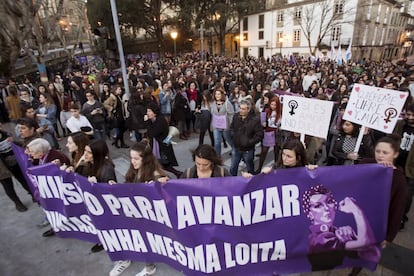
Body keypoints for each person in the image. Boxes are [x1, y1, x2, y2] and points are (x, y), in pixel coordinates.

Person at [109, 141, 168, 276]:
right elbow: (128, 186)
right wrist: (116, 187)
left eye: (136, 158)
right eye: (131, 158)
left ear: (145, 159)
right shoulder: (135, 170)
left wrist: (159, 186)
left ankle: (149, 267)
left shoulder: (156, 174)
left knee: (144, 240)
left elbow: (166, 196)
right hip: (135, 213)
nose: (132, 162)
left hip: (149, 218)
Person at [302, 185, 380, 271]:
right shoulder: (319, 239)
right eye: (318, 206)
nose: (326, 208)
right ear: (310, 214)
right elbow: (366, 243)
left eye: (329, 202)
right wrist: (357, 211)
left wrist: (353, 237)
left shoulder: (335, 232)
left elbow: (374, 255)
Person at [75, 139, 116, 253]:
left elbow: (107, 192)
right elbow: (76, 176)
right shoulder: (89, 163)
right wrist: (80, 162)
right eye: (85, 151)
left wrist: (95, 184)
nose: (85, 154)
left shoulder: (106, 169)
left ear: (97, 154)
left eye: (89, 152)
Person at [145, 102, 182, 178]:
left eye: (149, 111)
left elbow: (152, 133)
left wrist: (147, 122)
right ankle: (176, 173)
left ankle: (174, 174)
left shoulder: (160, 121)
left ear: (154, 112)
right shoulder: (153, 120)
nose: (147, 113)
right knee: (159, 164)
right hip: (157, 146)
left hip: (162, 147)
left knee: (162, 164)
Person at [393, 103, 414, 229]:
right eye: (408, 114)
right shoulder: (400, 124)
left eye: (413, 115)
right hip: (396, 163)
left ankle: (401, 217)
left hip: (410, 167)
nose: (410, 117)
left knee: (406, 194)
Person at [230, 99, 264, 176]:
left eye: (243, 109)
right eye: (240, 108)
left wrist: (249, 142)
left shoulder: (255, 120)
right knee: (232, 168)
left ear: (248, 109)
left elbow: (259, 135)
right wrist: (233, 137)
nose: (240, 110)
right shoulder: (236, 116)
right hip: (236, 147)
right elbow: (232, 127)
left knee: (250, 169)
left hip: (248, 150)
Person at [256, 96, 282, 173]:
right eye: (272, 104)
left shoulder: (281, 112)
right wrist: (263, 123)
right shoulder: (267, 111)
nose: (273, 106)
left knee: (276, 152)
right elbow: (263, 120)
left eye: (275, 105)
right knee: (264, 151)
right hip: (268, 132)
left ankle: (276, 168)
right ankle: (259, 168)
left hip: (277, 133)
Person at [210, 88, 234, 155]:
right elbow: (212, 114)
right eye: (216, 94)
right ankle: (218, 157)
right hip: (216, 125)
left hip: (225, 126)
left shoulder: (227, 103)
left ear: (222, 95)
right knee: (217, 142)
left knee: (229, 140)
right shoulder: (213, 103)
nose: (217, 96)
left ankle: (235, 151)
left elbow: (231, 114)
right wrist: (211, 125)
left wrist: (230, 124)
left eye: (218, 94)